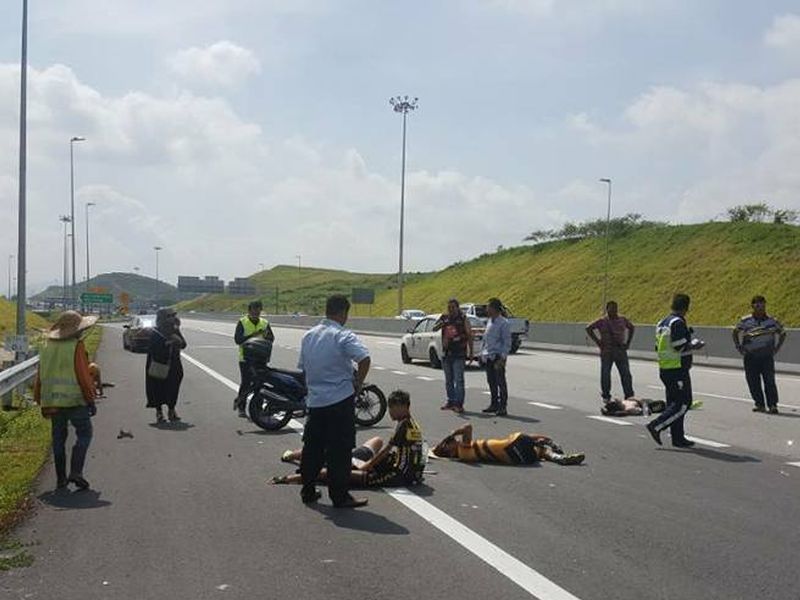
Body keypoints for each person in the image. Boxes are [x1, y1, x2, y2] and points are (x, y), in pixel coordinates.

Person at [297, 294, 371, 508]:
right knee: (340, 450)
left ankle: (308, 490)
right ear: (342, 313)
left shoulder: (309, 336)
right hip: (339, 400)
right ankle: (339, 496)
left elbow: (303, 368)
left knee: (312, 448)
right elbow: (364, 359)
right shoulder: (343, 335)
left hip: (316, 402)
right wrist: (358, 384)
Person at [271, 390, 425, 487]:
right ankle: (297, 462)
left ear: (403, 407)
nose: (390, 412)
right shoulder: (413, 424)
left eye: (392, 408)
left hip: (397, 475)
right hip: (409, 473)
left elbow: (386, 451)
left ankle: (289, 478)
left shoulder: (403, 426)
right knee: (359, 452)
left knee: (337, 473)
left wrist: (369, 465)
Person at [34, 311, 98, 490]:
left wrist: (38, 398)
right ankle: (76, 472)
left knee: (58, 438)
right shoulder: (76, 346)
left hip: (52, 402)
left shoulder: (46, 346)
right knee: (85, 434)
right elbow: (83, 376)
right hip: (75, 401)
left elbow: (40, 375)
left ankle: (60, 479)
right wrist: (91, 399)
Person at [646, 294, 704, 448]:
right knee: (683, 403)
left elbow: (657, 346)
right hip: (677, 368)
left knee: (673, 403)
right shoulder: (678, 323)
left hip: (666, 368)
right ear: (686, 307)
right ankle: (656, 426)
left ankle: (678, 438)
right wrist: (694, 345)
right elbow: (679, 345)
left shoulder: (663, 322)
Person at [431, 423, 585, 466]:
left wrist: (446, 442)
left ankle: (559, 457)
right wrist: (450, 434)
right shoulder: (463, 451)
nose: (453, 441)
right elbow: (467, 427)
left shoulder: (467, 452)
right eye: (448, 444)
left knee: (540, 451)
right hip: (512, 446)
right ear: (450, 453)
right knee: (519, 436)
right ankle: (550, 442)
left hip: (517, 458)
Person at [732, 295, 786, 414]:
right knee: (753, 381)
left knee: (769, 381)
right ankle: (759, 404)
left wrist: (777, 347)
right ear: (752, 306)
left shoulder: (772, 321)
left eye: (761, 303)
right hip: (750, 356)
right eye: (756, 304)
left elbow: (782, 333)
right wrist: (739, 346)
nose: (759, 306)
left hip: (766, 356)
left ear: (765, 305)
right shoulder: (746, 321)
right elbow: (735, 332)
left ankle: (772, 405)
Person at [586, 301, 636, 403]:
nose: (613, 311)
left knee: (626, 373)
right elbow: (588, 328)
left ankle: (629, 395)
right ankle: (606, 395)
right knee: (606, 373)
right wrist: (598, 342)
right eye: (611, 309)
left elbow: (631, 327)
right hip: (607, 351)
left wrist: (628, 343)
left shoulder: (622, 319)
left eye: (615, 309)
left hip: (620, 350)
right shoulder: (602, 321)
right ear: (607, 309)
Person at [146, 308, 187, 423]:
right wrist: (168, 344)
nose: (172, 318)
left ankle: (171, 410)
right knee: (157, 388)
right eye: (169, 316)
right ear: (162, 318)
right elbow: (153, 350)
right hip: (159, 365)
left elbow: (184, 344)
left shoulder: (174, 331)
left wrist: (177, 336)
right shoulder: (155, 332)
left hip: (174, 365)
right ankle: (159, 412)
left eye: (173, 316)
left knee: (173, 387)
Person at [234, 300, 274, 417]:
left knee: (260, 383)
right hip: (246, 359)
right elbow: (238, 340)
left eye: (258, 310)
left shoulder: (265, 323)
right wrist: (254, 335)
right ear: (249, 310)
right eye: (254, 310)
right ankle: (241, 407)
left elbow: (271, 338)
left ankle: (258, 408)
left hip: (261, 358)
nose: (256, 312)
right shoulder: (242, 322)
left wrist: (267, 336)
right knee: (246, 383)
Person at [432, 298, 473, 413]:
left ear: (457, 308)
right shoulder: (445, 318)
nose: (450, 309)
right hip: (447, 353)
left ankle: (459, 404)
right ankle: (451, 401)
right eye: (449, 307)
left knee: (459, 380)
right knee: (448, 380)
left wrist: (471, 352)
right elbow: (434, 328)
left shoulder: (463, 318)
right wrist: (442, 323)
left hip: (459, 353)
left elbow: (470, 334)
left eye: (453, 307)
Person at [480, 297, 512, 416]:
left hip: (498, 357)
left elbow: (507, 342)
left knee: (500, 382)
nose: (486, 309)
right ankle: (494, 404)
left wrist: (503, 358)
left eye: (488, 307)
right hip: (488, 356)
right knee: (491, 382)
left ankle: (503, 406)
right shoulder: (489, 321)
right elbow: (486, 339)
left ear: (494, 308)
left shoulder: (504, 323)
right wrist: (481, 353)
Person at [601, 397, 665, 417]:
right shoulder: (628, 409)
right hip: (647, 406)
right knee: (662, 404)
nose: (618, 400)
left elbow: (634, 398)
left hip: (644, 402)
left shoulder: (625, 401)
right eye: (616, 402)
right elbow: (644, 412)